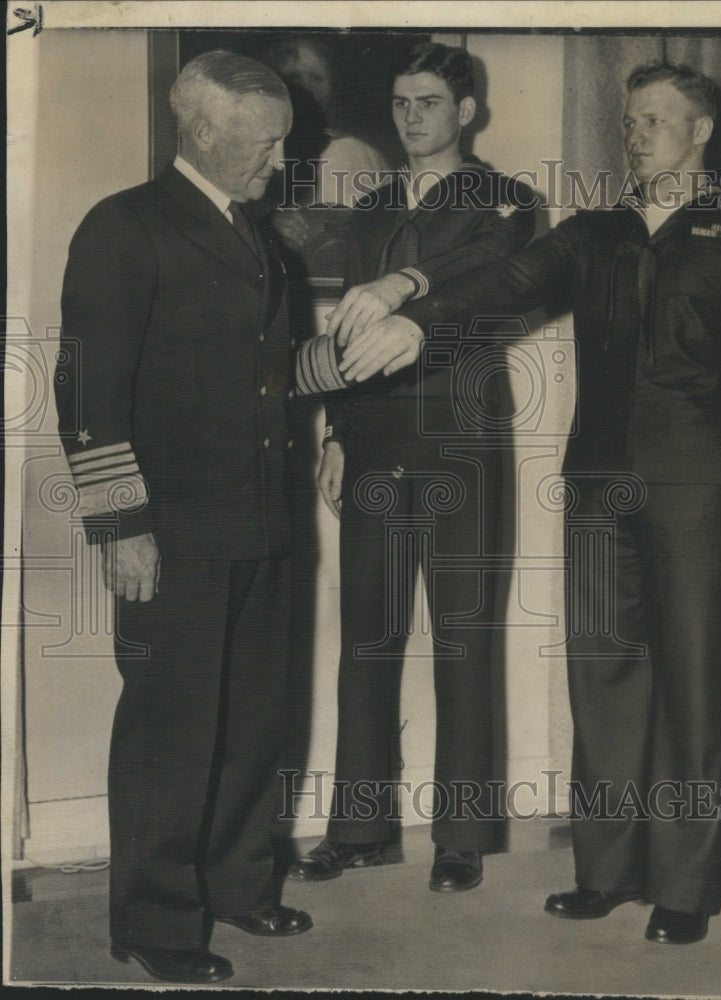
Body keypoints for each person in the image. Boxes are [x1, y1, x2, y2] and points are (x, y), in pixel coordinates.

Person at [336, 62, 721, 943]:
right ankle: (607, 870)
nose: (636, 136)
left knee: (697, 690)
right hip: (597, 486)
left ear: (701, 131)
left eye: (655, 122)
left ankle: (685, 886)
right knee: (603, 680)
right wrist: (411, 304)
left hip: (701, 493)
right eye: (629, 122)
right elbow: (506, 280)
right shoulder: (597, 229)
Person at [55, 50, 312, 984]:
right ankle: (155, 923)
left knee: (253, 720)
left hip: (264, 523)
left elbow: (269, 380)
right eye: (267, 141)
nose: (281, 159)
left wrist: (352, 361)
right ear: (203, 132)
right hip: (172, 530)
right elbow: (87, 388)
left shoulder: (260, 238)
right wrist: (120, 524)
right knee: (172, 727)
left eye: (284, 139)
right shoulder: (125, 226)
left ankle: (239, 886)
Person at [289, 42, 535, 892]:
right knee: (368, 635)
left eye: (428, 101)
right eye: (399, 102)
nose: (411, 116)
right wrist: (337, 434)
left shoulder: (506, 203)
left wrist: (404, 283)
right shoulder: (373, 206)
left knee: (464, 637)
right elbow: (351, 335)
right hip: (376, 440)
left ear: (465, 112)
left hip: (461, 440)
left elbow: (490, 276)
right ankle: (360, 829)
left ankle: (461, 837)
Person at [262, 36, 389, 268]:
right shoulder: (273, 151)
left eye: (317, 78)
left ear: (332, 90)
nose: (305, 89)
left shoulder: (343, 153)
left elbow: (328, 254)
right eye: (294, 78)